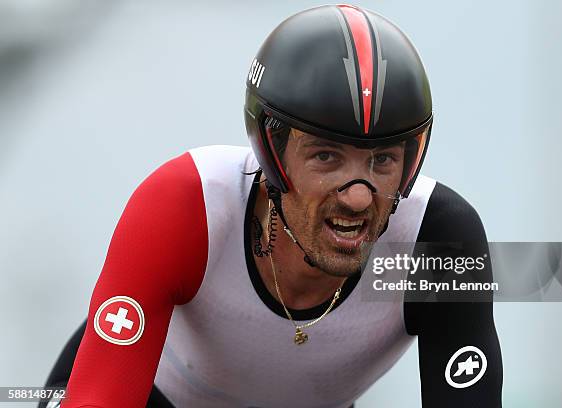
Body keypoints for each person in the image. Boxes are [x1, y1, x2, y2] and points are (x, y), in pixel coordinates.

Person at [42, 5, 502, 407]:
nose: (359, 195)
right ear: (272, 153)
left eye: (383, 159)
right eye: (326, 156)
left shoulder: (439, 237)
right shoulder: (186, 203)